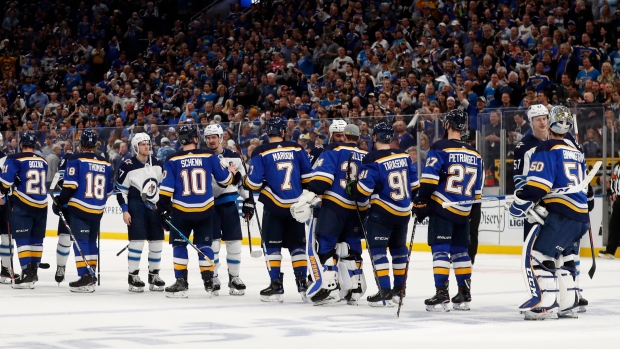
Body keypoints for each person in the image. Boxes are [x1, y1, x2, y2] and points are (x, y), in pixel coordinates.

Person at [509, 107, 591, 320]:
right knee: (565, 257)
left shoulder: (546, 148)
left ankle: (545, 303)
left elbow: (538, 186)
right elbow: (587, 191)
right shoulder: (575, 150)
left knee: (539, 256)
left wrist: (519, 201)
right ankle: (568, 303)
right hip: (580, 216)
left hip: (562, 214)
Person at [413, 109, 483, 312]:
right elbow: (477, 190)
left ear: (448, 125)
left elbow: (429, 179)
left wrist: (421, 200)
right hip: (465, 210)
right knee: (461, 252)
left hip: (443, 206)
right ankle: (464, 293)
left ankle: (441, 292)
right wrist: (471, 212)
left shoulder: (439, 147)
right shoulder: (475, 153)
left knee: (440, 250)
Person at [290, 124, 369, 305]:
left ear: (342, 136)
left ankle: (329, 286)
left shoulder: (332, 151)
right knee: (351, 246)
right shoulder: (367, 155)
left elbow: (322, 180)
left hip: (335, 205)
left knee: (326, 243)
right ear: (358, 138)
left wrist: (308, 196)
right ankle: (355, 287)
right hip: (358, 208)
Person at [159, 124, 238, 298]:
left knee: (179, 245)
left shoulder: (172, 159)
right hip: (205, 210)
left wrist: (162, 209)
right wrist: (231, 173)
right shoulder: (209, 155)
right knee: (205, 245)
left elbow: (165, 191)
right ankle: (209, 281)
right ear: (196, 139)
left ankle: (181, 283)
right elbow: (224, 181)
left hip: (181, 210)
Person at [345, 122, 419, 307]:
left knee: (378, 250)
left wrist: (352, 186)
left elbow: (364, 190)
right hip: (403, 211)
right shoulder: (404, 155)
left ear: (375, 137)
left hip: (383, 211)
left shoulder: (372, 158)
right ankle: (399, 291)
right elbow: (415, 185)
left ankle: (384, 290)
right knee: (399, 250)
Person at [243, 117, 313, 302]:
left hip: (273, 206)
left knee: (272, 246)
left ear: (268, 133)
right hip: (296, 206)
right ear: (283, 132)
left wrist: (244, 180)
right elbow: (308, 178)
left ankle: (276, 285)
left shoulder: (260, 151)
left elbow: (253, 183)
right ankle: (302, 284)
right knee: (298, 246)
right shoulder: (296, 148)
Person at [53, 130, 113, 292]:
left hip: (79, 207)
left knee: (80, 242)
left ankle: (84, 276)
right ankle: (91, 274)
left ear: (81, 144)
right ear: (95, 145)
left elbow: (71, 185)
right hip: (98, 209)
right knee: (91, 241)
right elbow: (108, 192)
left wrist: (60, 201)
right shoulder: (105, 162)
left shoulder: (75, 158)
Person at [116, 132, 166, 292]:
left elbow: (163, 187)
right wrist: (125, 210)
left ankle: (154, 275)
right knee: (137, 241)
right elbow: (120, 191)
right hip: (136, 205)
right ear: (136, 147)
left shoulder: (158, 163)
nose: (147, 146)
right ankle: (133, 275)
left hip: (155, 207)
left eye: (148, 143)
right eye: (143, 144)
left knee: (157, 241)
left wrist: (165, 209)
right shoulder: (127, 164)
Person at [204, 124, 250, 296]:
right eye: (208, 138)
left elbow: (243, 182)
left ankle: (234, 277)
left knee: (234, 243)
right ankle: (214, 275)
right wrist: (231, 177)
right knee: (214, 243)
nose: (211, 140)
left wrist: (248, 200)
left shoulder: (233, 157)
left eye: (214, 137)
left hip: (230, 205)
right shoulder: (204, 157)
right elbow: (215, 187)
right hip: (211, 206)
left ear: (221, 138)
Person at [0, 132, 49, 288]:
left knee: (22, 239)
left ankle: (26, 272)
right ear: (34, 146)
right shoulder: (43, 160)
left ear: (21, 144)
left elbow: (4, 183)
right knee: (36, 239)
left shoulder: (15, 158)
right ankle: (33, 273)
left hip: (23, 203)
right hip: (42, 205)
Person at [513, 104, 549, 241]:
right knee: (532, 244)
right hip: (536, 202)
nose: (542, 122)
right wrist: (529, 201)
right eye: (538, 119)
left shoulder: (555, 140)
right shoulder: (524, 146)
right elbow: (520, 179)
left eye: (545, 118)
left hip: (554, 200)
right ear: (531, 122)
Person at [601, 162, 620, 259]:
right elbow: (613, 180)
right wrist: (612, 192)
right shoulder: (617, 166)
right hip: (619, 198)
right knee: (614, 225)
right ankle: (611, 250)